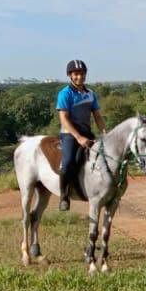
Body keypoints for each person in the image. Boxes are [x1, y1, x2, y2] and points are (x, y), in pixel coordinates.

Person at [56, 59, 106, 211]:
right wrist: (78, 137)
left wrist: (105, 132)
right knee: (69, 162)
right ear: (70, 75)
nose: (80, 77)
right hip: (70, 135)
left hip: (87, 133)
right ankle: (64, 196)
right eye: (76, 74)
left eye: (82, 74)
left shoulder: (90, 94)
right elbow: (63, 118)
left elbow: (97, 116)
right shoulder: (65, 93)